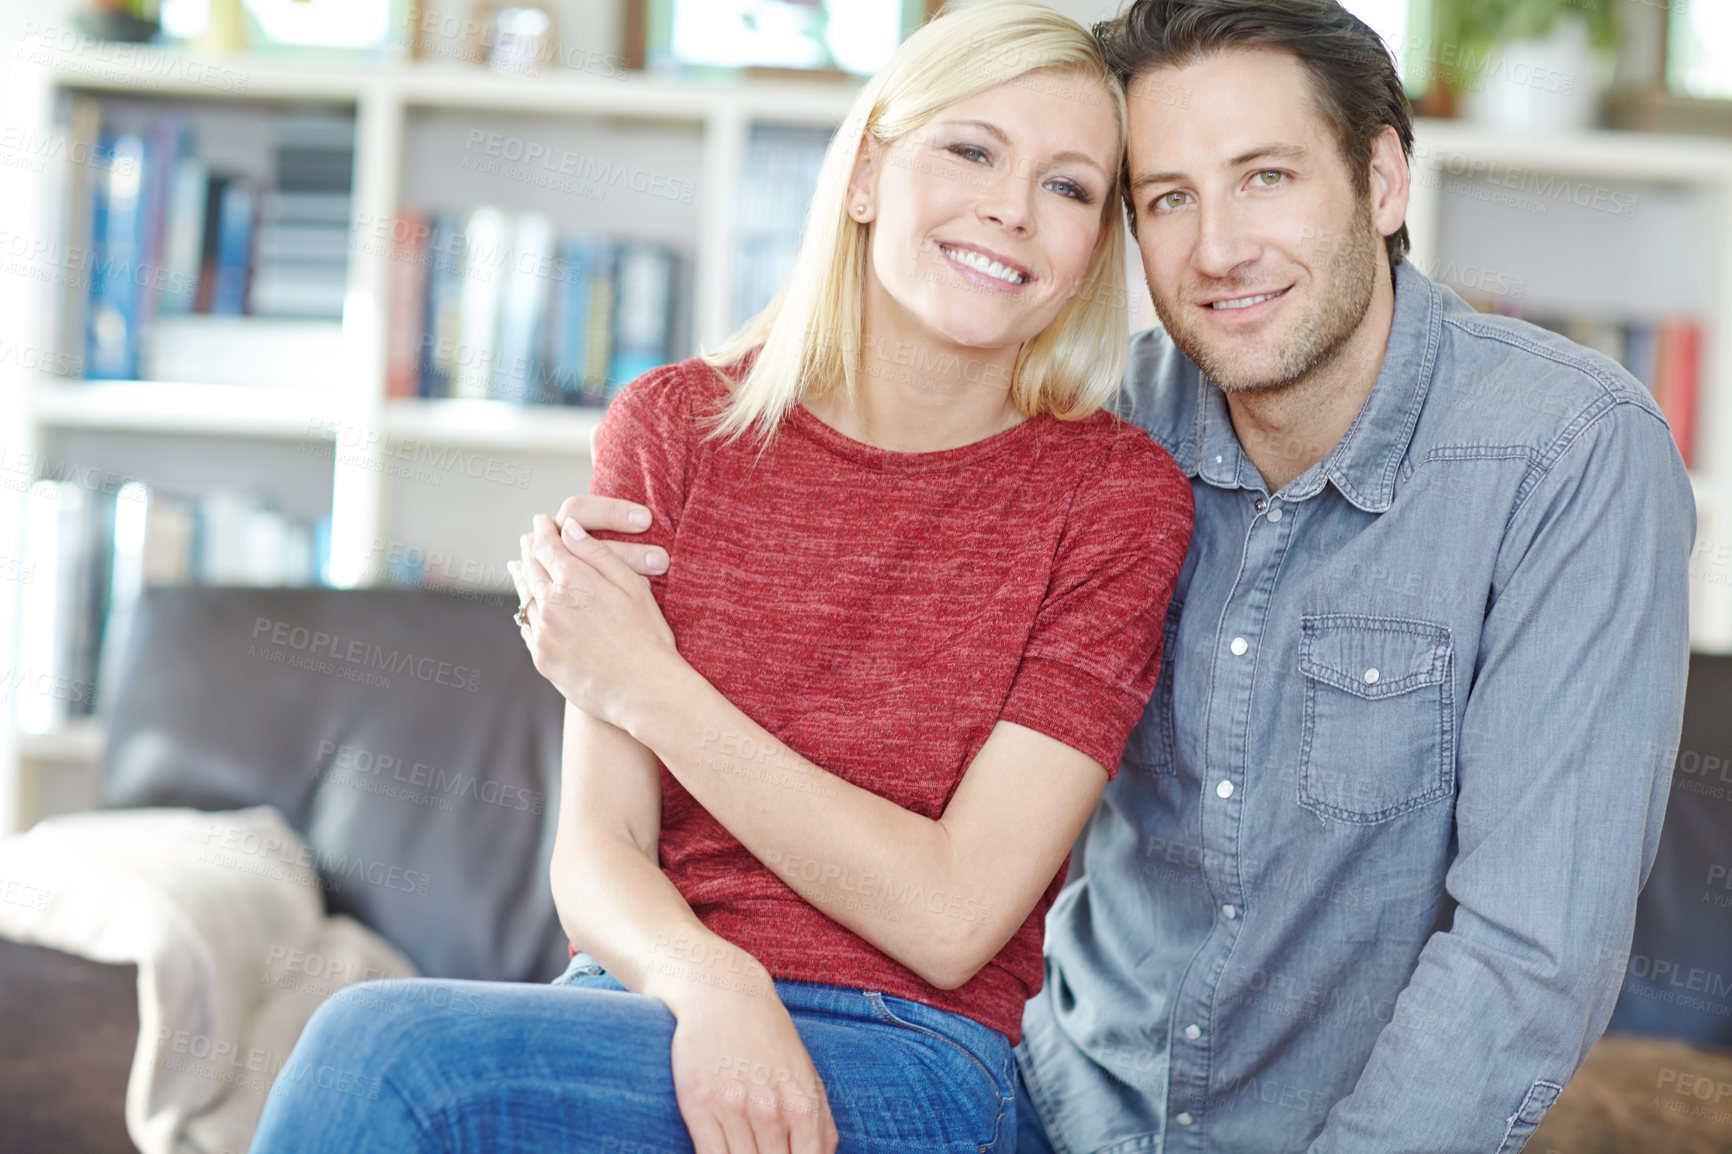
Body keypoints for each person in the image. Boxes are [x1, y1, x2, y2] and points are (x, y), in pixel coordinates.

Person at [564, 1, 1697, 1151]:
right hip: (1051, 1112)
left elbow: (1527, 953)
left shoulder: (1566, 452)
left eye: (1265, 177)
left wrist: (647, 687)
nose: (1217, 249)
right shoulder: (1094, 436)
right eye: (1166, 198)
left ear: (1383, 180)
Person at [247, 3, 1193, 1152]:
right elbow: (597, 851)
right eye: (972, 148)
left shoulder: (1115, 499)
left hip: (913, 1050)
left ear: (1094, 243)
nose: (1010, 206)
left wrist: (651, 685)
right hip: (650, 1001)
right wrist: (710, 981)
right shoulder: (675, 429)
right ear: (867, 173)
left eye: (1069, 187)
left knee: (379, 1056)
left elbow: (952, 917)